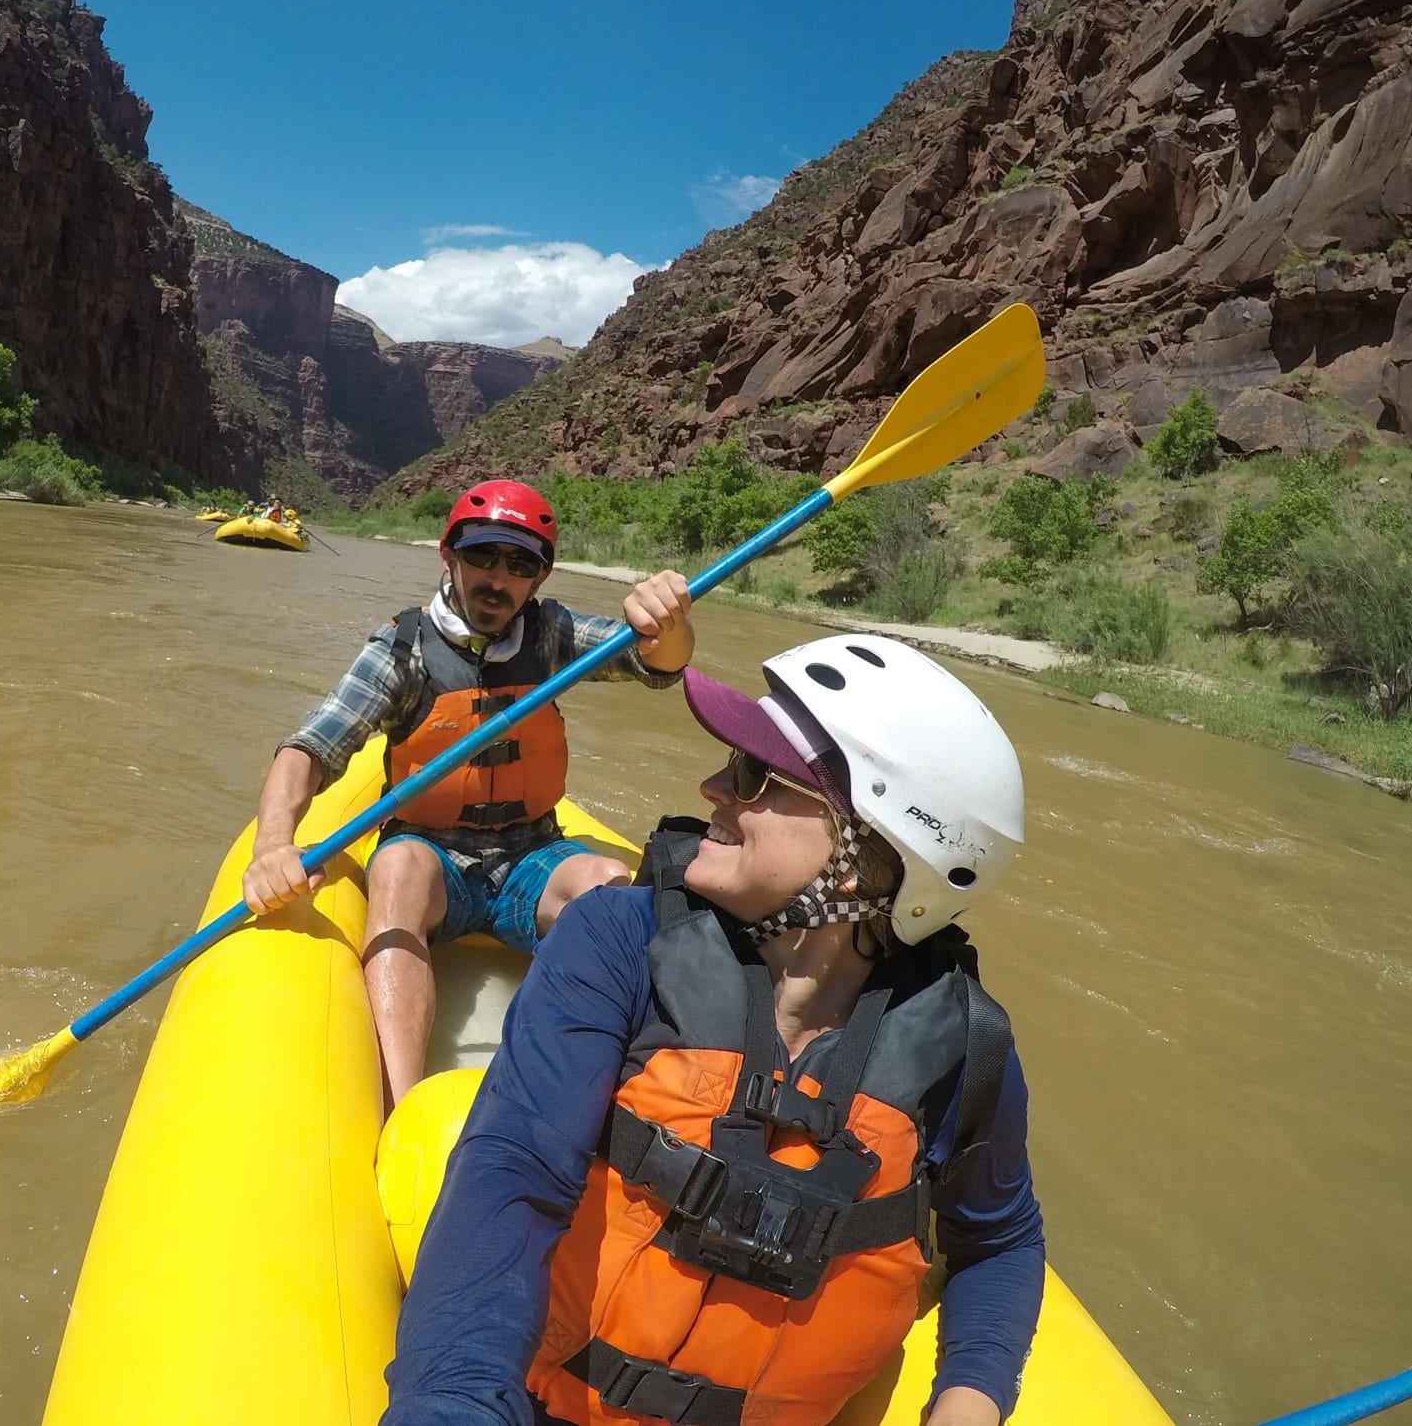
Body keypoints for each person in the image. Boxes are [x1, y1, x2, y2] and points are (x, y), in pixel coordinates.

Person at [383, 633, 1042, 1426]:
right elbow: (513, 1172)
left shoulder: (964, 1049)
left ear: (872, 851)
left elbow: (1000, 1244)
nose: (713, 787)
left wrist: (966, 1409)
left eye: (754, 776)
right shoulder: (621, 940)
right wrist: (455, 1405)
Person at [242, 479, 695, 1108]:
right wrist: (272, 845)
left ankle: (591, 1097)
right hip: (431, 855)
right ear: (447, 556)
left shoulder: (551, 634)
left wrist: (666, 622)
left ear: (538, 578)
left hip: (531, 857)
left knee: (606, 881)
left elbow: (657, 663)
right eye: (482, 555)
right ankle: (397, 1105)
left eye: (519, 565)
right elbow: (309, 750)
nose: (497, 580)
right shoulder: (401, 650)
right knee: (396, 865)